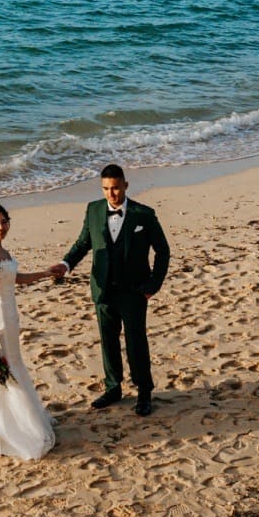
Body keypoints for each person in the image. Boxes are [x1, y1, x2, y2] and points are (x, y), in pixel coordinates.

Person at [50, 164, 170, 417]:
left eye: (115, 188)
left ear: (125, 185)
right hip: (103, 290)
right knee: (108, 341)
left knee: (136, 342)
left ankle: (144, 391)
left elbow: (163, 251)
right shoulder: (93, 210)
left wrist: (152, 285)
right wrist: (65, 264)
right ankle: (113, 388)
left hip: (134, 291)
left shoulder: (143, 214)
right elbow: (83, 243)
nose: (111, 194)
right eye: (106, 188)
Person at [0, 202, 59, 459]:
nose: (2, 227)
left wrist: (45, 273)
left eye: (5, 222)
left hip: (10, 315)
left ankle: (19, 421)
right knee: (6, 369)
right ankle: (7, 427)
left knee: (14, 364)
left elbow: (16, 278)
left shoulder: (1, 249)